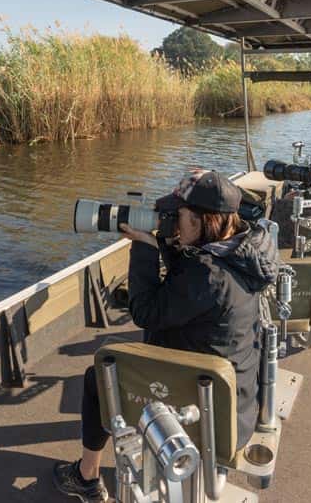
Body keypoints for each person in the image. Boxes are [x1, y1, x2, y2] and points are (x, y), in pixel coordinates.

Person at [53, 170, 280, 502]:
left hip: (205, 422)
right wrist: (164, 243)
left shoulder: (207, 273)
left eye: (182, 217)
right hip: (237, 406)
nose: (173, 223)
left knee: (98, 377)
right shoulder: (242, 252)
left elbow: (146, 312)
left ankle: (87, 477)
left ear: (205, 221)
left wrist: (144, 249)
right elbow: (190, 284)